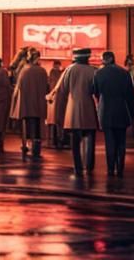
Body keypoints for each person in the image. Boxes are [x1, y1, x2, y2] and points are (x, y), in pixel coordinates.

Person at [56, 47, 98, 176]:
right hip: (88, 106)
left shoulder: (69, 70)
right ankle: (89, 165)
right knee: (90, 137)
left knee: (75, 140)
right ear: (87, 57)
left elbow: (63, 89)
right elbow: (96, 90)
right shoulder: (93, 71)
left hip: (72, 107)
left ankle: (77, 166)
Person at [92, 50, 134, 176]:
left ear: (104, 60)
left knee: (109, 141)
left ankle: (110, 168)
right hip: (122, 111)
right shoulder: (124, 73)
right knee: (121, 142)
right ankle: (120, 168)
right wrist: (132, 114)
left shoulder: (98, 73)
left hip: (106, 111)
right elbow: (130, 96)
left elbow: (95, 92)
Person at [14, 49, 50, 158]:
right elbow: (47, 87)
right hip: (39, 103)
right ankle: (36, 147)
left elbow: (18, 87)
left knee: (27, 126)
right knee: (38, 126)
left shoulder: (24, 70)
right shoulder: (42, 71)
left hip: (26, 104)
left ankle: (26, 144)